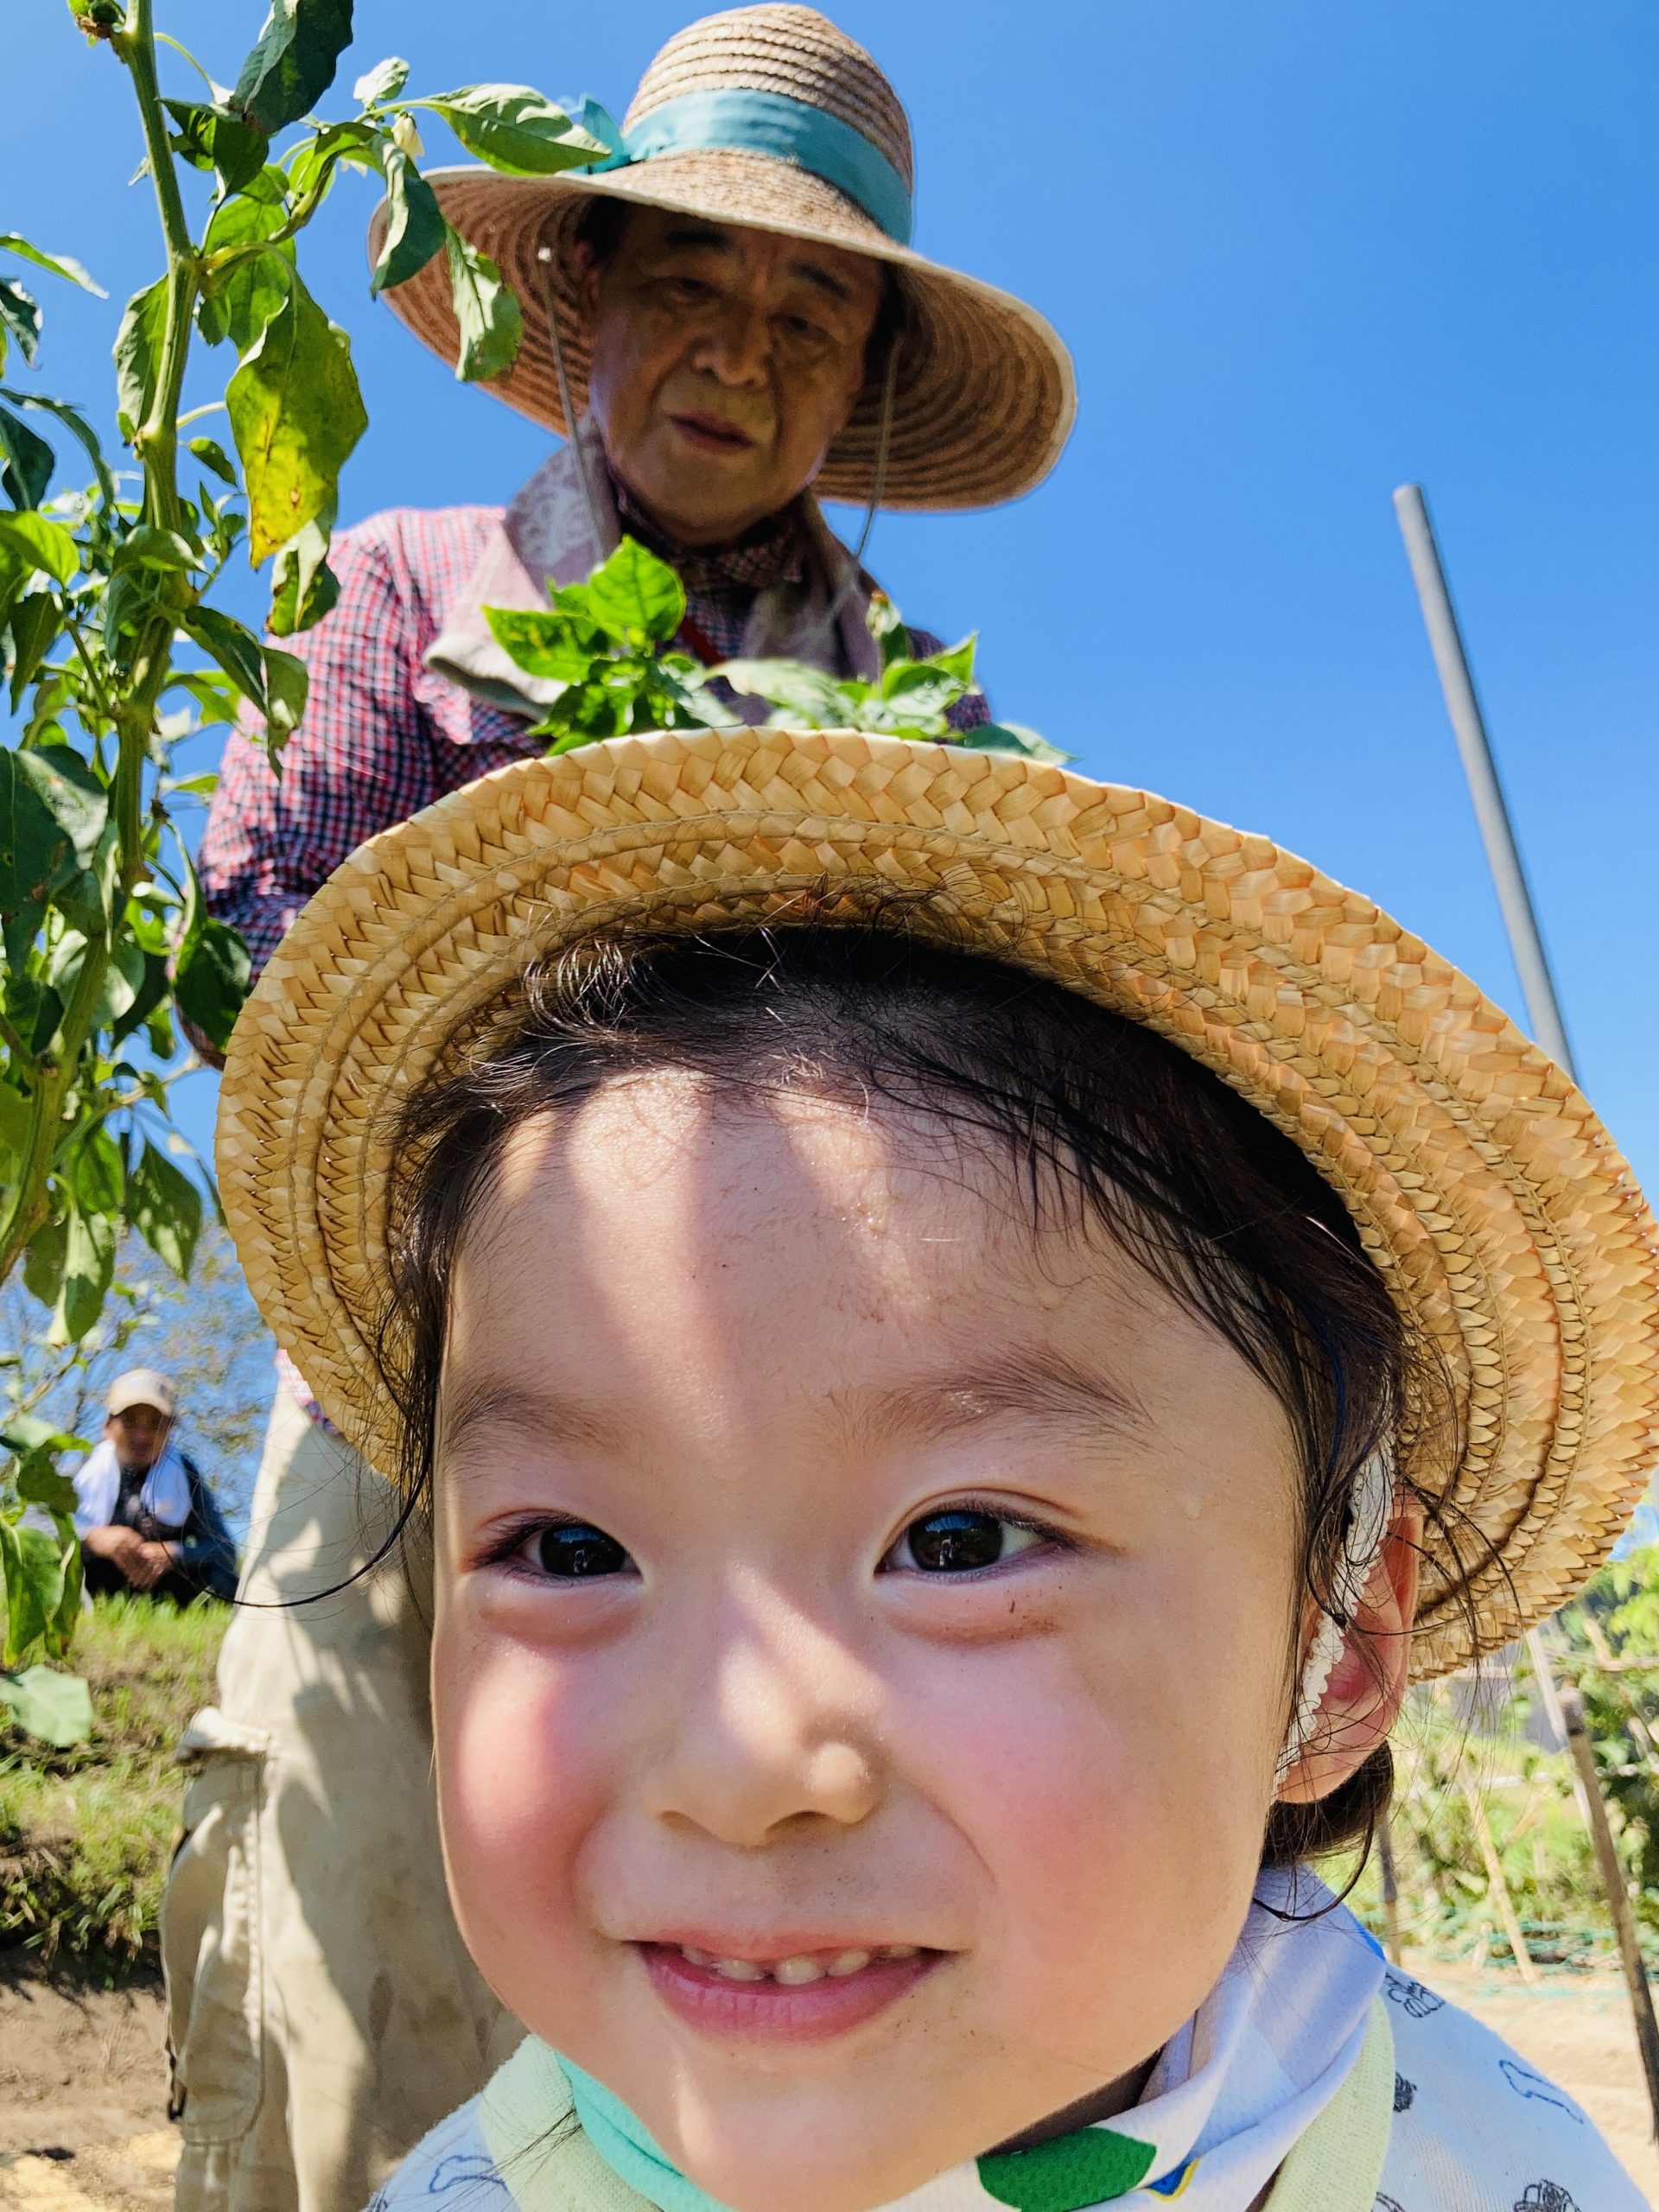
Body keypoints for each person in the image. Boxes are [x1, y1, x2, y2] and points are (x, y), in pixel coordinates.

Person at [215, 727, 1658, 2211]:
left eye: (963, 1540)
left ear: (1338, 1647)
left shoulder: (1482, 2172)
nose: (742, 1768)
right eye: (571, 1549)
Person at [162, 13, 1074, 2212]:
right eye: (691, 281)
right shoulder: (402, 591)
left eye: (804, 309)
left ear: (853, 380)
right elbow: (256, 923)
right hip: (411, 1364)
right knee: (352, 1874)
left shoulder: (913, 721)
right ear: (589, 299)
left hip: (809, 1428)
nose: (738, 353)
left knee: (757, 1951)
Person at [73, 1370, 237, 1606]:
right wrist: (92, 1537)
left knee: (224, 1580)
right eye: (129, 1422)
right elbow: (36, 1524)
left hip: (164, 1591)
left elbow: (223, 1550)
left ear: (170, 1430)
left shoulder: (186, 1474)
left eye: (154, 1424)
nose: (141, 1436)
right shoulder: (84, 1468)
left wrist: (174, 1553)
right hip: (93, 1583)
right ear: (108, 1426)